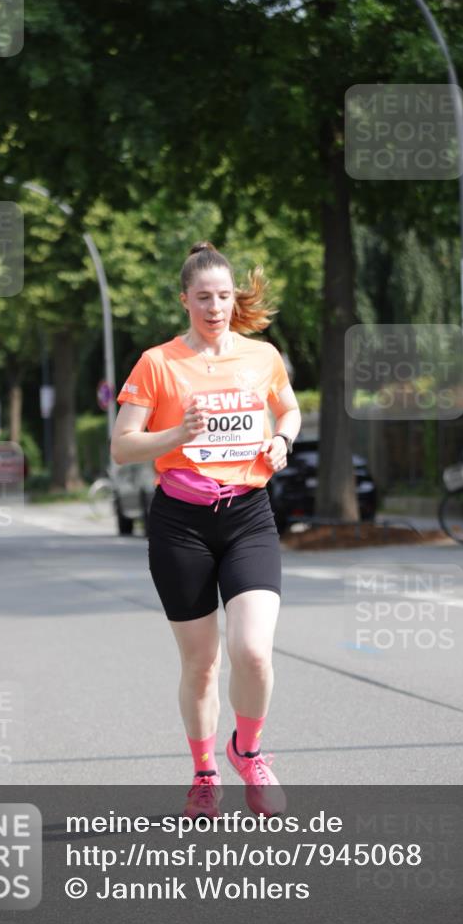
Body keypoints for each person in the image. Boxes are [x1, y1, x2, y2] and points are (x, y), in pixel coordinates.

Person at [111, 241, 301, 818]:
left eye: (222, 296)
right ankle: (203, 774)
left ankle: (249, 751)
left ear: (233, 298)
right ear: (185, 301)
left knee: (254, 652)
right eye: (203, 298)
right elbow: (122, 446)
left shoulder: (262, 356)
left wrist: (281, 439)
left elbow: (289, 409)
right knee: (201, 665)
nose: (215, 307)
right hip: (181, 524)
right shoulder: (158, 363)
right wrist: (177, 434)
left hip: (248, 515)